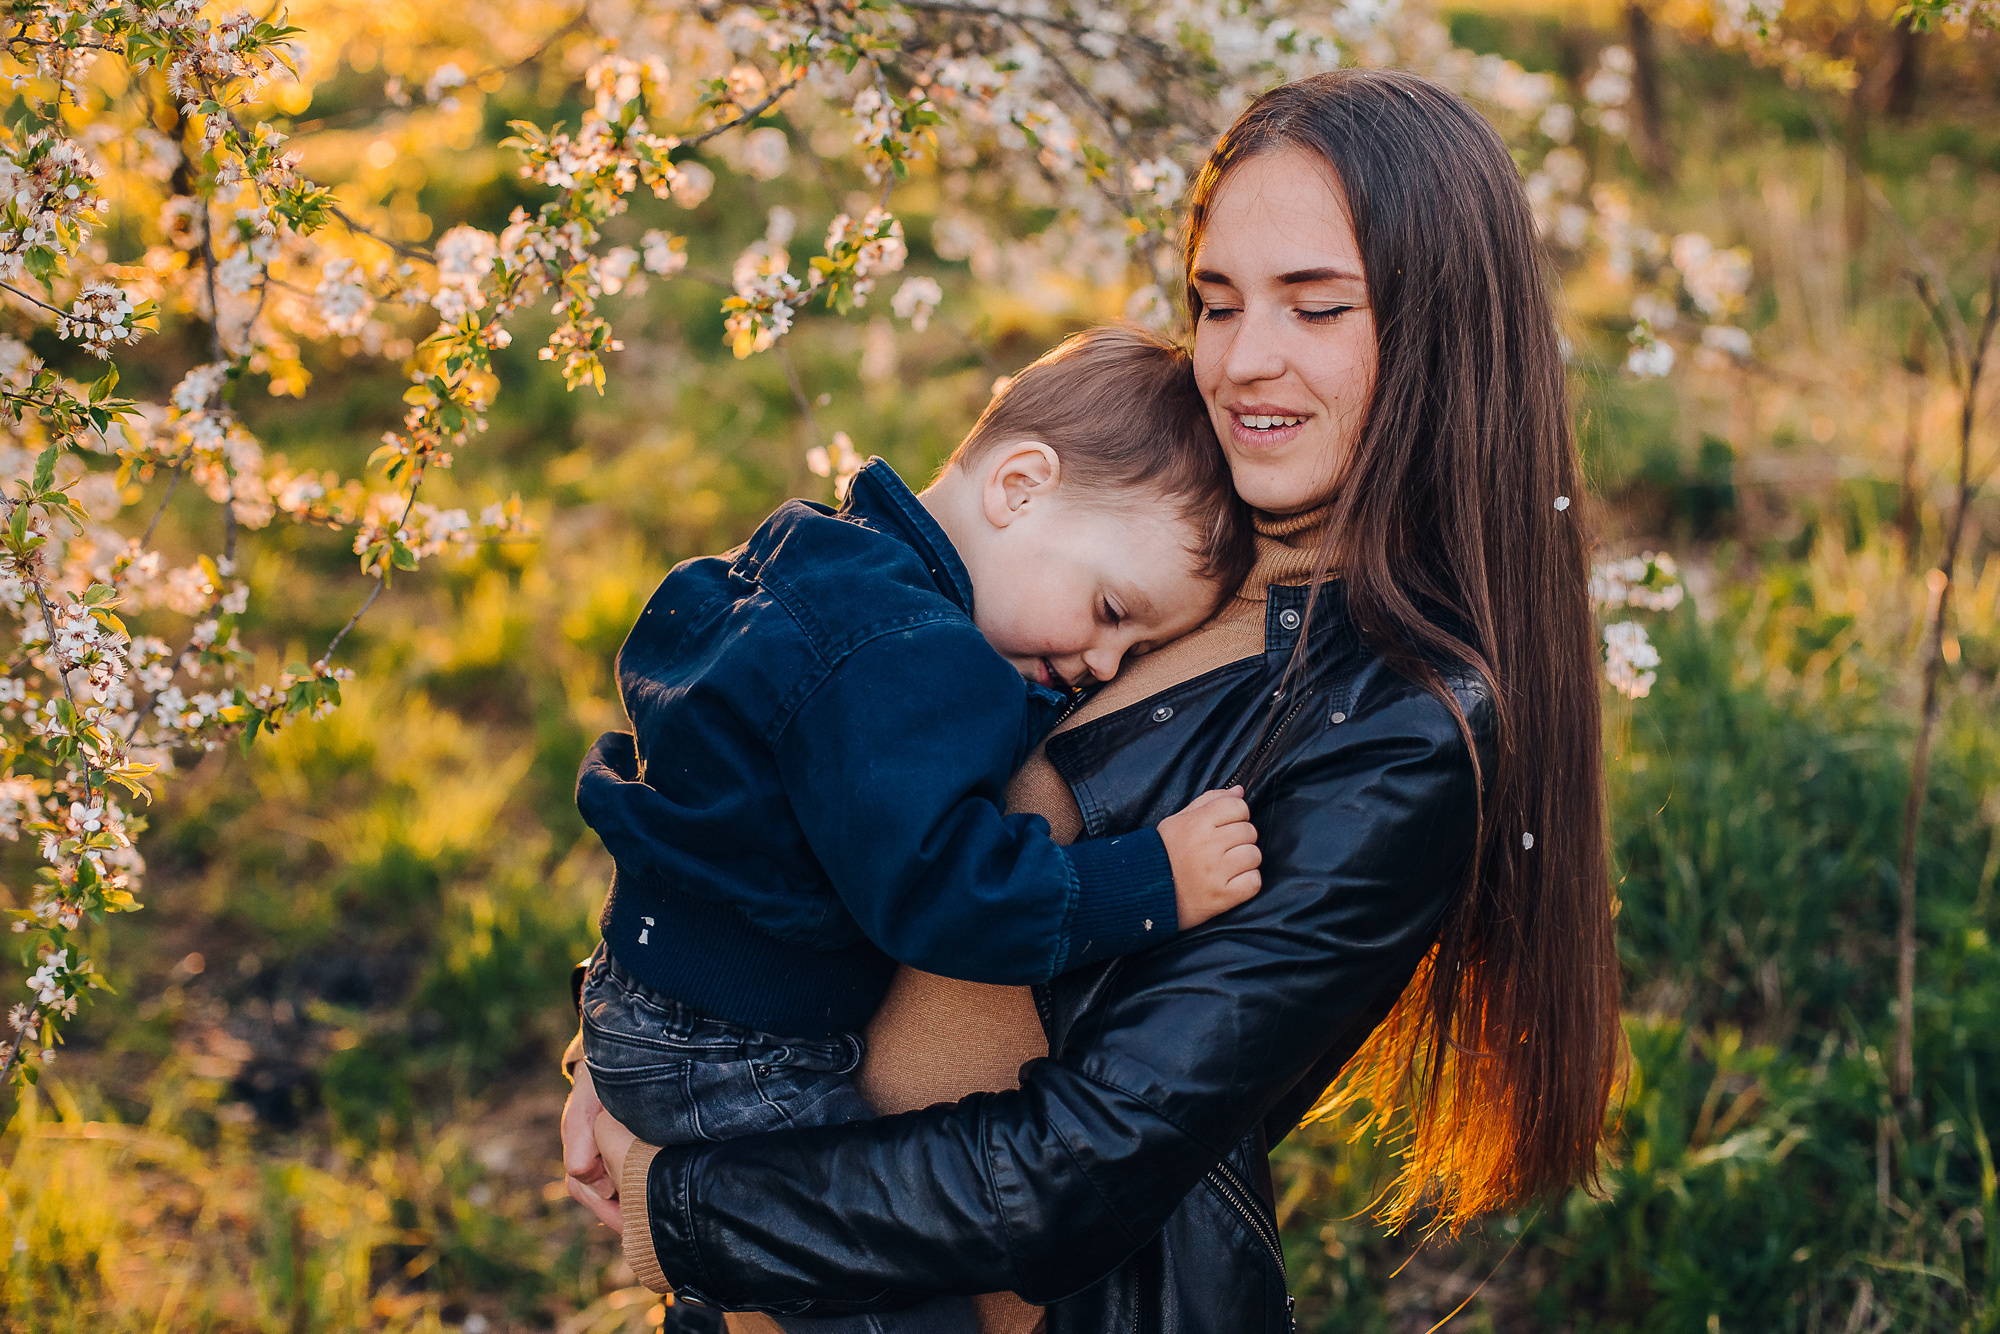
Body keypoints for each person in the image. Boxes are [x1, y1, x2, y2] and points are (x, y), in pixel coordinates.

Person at [562, 68, 1621, 1334]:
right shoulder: (1143, 511)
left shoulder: (1395, 726)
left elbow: (1080, 1166)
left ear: (1442, 326)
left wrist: (679, 1202)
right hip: (772, 1237)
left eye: (1315, 304)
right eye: (1215, 301)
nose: (1242, 358)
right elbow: (787, 765)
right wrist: (632, 1033)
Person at [571, 327, 1264, 1332]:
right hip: (729, 1045)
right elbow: (948, 894)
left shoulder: (819, 560)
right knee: (872, 1279)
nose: (1106, 662)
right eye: (1111, 608)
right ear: (1018, 485)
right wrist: (1151, 881)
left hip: (653, 998)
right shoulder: (909, 658)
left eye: (1138, 645)